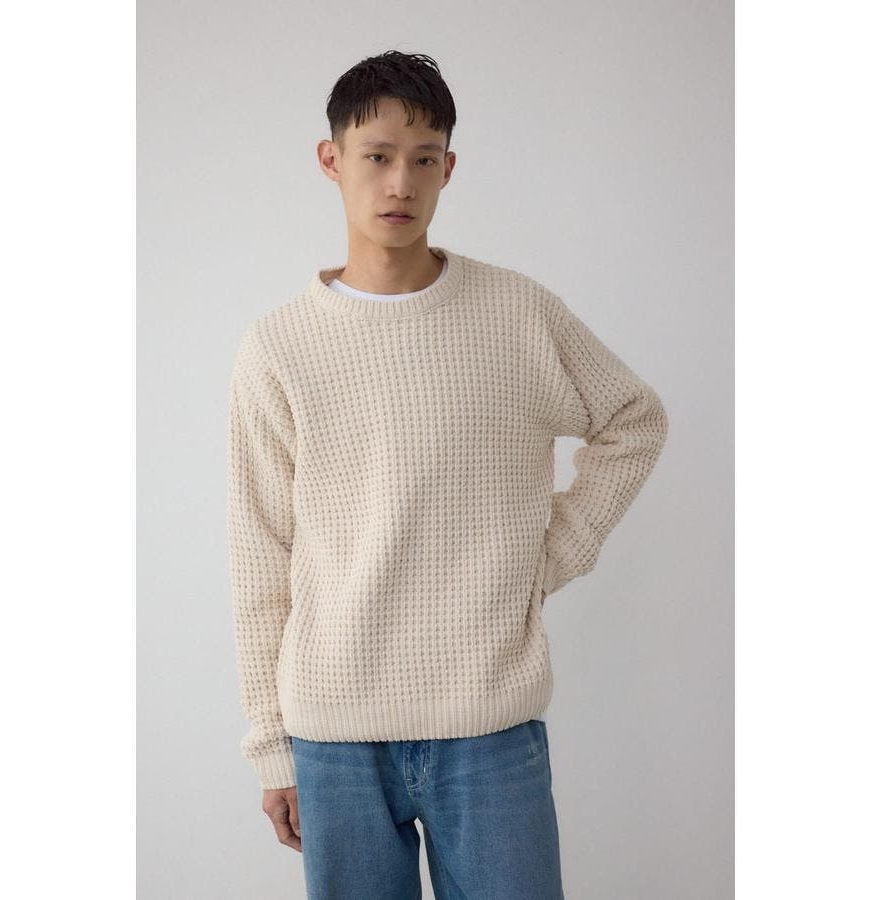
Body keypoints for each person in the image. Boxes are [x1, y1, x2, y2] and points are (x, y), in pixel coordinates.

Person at [226, 50, 669, 900]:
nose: (401, 182)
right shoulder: (279, 347)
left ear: (448, 169)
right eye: (377, 156)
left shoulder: (518, 312)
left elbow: (632, 419)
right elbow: (260, 557)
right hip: (333, 735)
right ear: (332, 160)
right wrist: (271, 746)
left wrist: (551, 553)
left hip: (490, 720)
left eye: (423, 159)